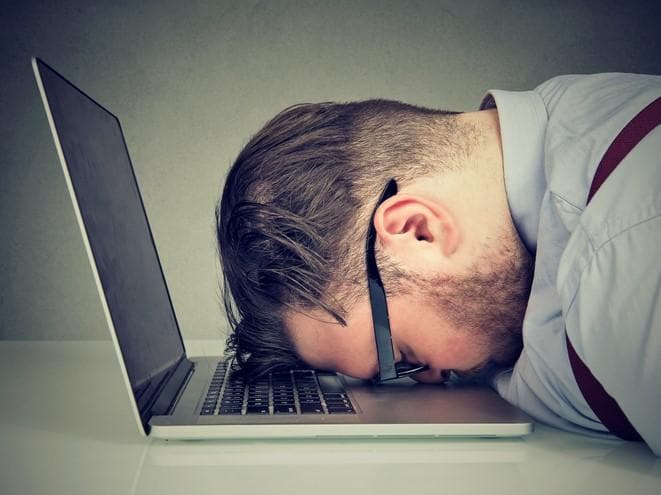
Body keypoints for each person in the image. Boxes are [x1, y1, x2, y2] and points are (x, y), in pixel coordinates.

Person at [216, 73, 661, 455]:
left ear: (418, 230)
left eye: (401, 358)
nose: (428, 383)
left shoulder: (627, 255)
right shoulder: (545, 138)